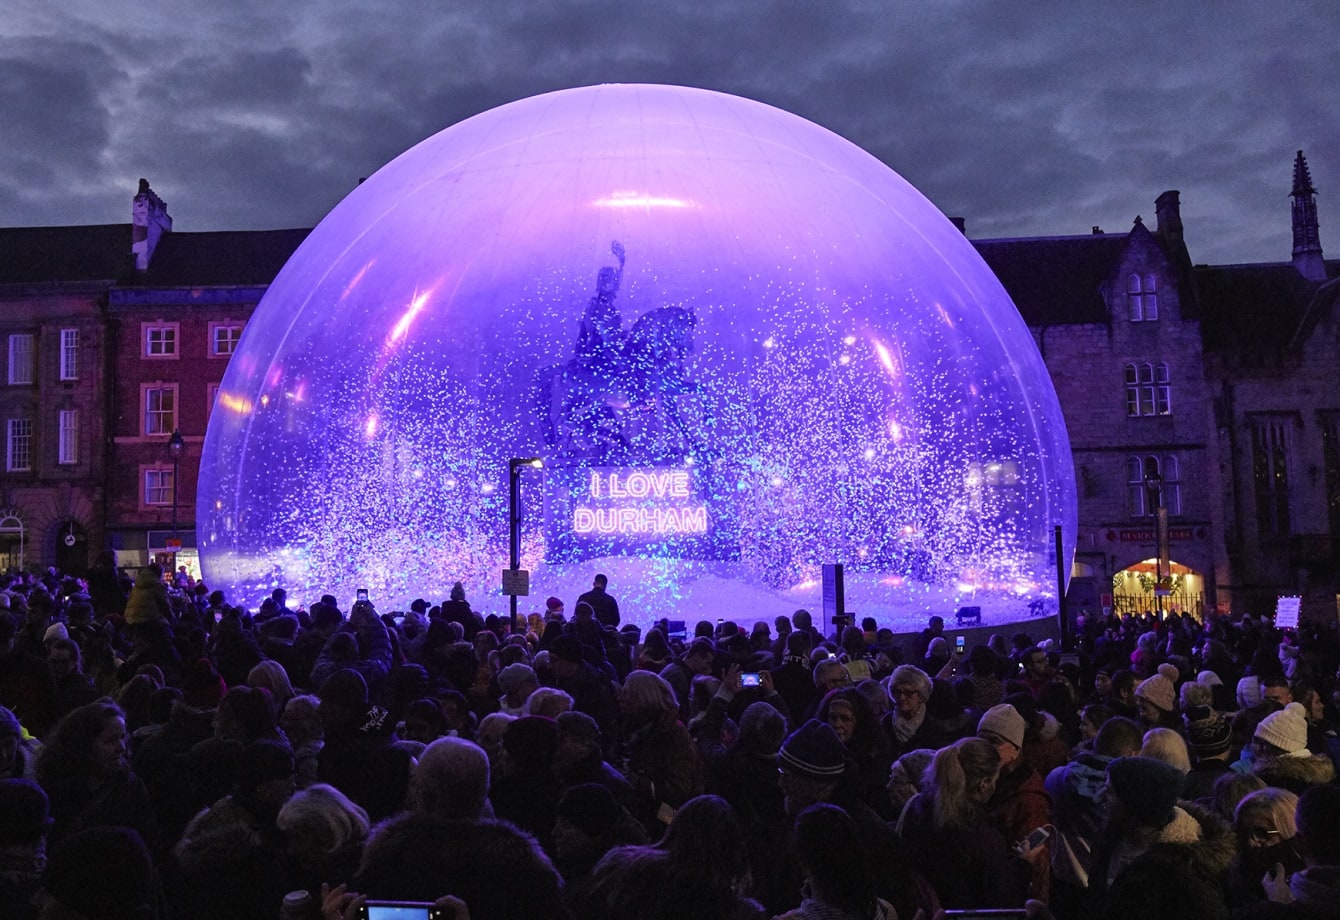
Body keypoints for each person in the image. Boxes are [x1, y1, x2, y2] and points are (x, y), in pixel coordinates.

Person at [1087, 755, 1234, 920]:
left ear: (1135, 805)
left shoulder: (1186, 870)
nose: (1100, 796)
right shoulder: (1109, 839)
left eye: (1110, 792)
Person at [896, 736, 1034, 909]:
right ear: (983, 784)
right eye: (995, 780)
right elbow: (1003, 903)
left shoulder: (917, 810)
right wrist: (1024, 866)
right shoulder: (983, 840)